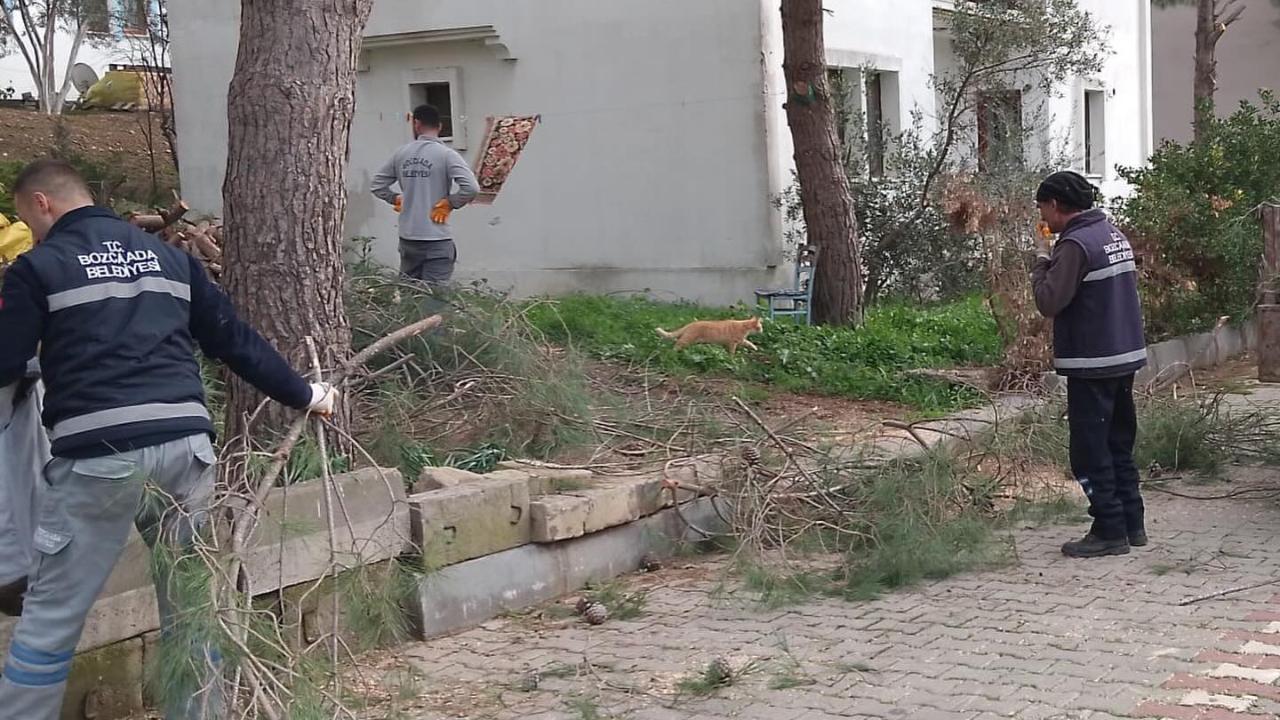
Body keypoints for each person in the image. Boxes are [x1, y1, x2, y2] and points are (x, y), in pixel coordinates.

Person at [0, 159, 339, 720]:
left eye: (26, 218)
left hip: (98, 459)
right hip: (186, 451)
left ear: (43, 204)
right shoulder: (171, 260)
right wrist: (304, 394)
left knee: (53, 618)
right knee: (191, 609)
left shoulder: (40, 267)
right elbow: (234, 342)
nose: (30, 231)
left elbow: (6, 361)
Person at [1032, 170, 1147, 559]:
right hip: (1123, 356)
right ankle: (1133, 523)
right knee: (1118, 443)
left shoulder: (1075, 244)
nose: (1043, 218)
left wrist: (1040, 262)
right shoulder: (1112, 234)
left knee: (1089, 451)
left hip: (1092, 361)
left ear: (1057, 205)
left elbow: (1049, 301)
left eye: (1043, 208)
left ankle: (1109, 531)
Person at [371, 103, 479, 287]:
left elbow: (377, 185)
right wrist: (450, 203)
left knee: (410, 297)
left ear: (416, 124)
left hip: (408, 238)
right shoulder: (447, 155)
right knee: (433, 298)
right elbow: (471, 188)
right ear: (440, 127)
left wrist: (395, 198)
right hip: (436, 238)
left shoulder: (401, 154)